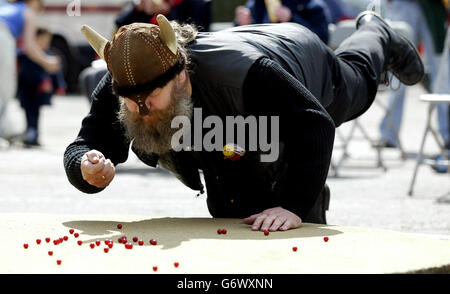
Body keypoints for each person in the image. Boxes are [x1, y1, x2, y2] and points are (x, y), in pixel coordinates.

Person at [64, 11, 424, 231]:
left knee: (359, 79)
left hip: (299, 60)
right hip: (231, 134)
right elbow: (85, 145)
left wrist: (294, 206)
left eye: (151, 101)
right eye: (130, 102)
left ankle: (376, 31)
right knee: (232, 208)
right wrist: (85, 167)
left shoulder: (247, 74)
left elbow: (314, 125)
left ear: (181, 77)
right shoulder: (129, 82)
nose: (141, 110)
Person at [378, 0, 447, 149]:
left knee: (442, 74)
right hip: (404, 4)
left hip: (434, 7)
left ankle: (447, 135)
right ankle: (389, 134)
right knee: (397, 70)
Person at [0, 0, 60, 141]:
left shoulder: (6, 5)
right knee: (4, 89)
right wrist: (47, 61)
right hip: (2, 39)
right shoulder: (27, 12)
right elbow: (29, 46)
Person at [17, 28, 66, 146]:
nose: (45, 44)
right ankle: (31, 133)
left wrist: (60, 85)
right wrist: (41, 81)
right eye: (42, 40)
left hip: (39, 93)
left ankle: (34, 135)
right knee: (30, 113)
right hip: (28, 90)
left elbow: (55, 72)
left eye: (47, 41)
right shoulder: (27, 55)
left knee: (36, 113)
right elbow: (27, 73)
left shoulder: (48, 55)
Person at [235, 0, 331, 44]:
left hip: (296, 63)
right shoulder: (256, 4)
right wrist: (243, 25)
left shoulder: (312, 5)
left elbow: (322, 40)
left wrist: (291, 19)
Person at [115, 0, 212, 32]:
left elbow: (195, 32)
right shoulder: (150, 3)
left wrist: (168, 12)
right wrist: (139, 9)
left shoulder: (197, 4)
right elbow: (120, 23)